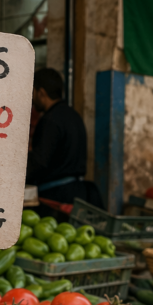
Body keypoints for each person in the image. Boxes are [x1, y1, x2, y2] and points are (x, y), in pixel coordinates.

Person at [27, 68, 102, 208]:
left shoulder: (50, 120)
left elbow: (40, 161)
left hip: (56, 196)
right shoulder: (74, 116)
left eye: (33, 93)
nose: (32, 99)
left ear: (41, 93)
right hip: (77, 192)